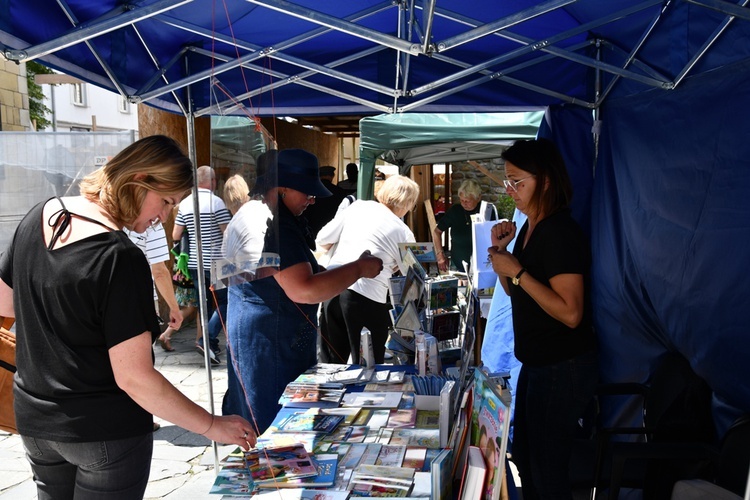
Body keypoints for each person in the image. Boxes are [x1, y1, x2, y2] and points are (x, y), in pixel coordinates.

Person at [0, 135, 256, 499]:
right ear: (137, 180)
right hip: (103, 433)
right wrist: (211, 425)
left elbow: (6, 305)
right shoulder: (120, 257)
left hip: (37, 423)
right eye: (166, 202)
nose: (163, 217)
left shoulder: (39, 216)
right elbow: (134, 377)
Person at [222, 149, 383, 434]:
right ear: (281, 188)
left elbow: (297, 272)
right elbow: (304, 289)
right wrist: (358, 269)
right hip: (271, 343)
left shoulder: (252, 212)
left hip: (259, 338)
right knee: (275, 427)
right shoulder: (273, 223)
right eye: (307, 192)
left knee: (261, 417)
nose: (312, 200)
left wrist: (342, 270)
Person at [487, 138, 598, 500]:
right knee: (526, 457)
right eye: (507, 181)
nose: (511, 190)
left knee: (548, 469)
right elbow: (514, 292)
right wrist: (501, 254)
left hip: (562, 367)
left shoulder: (560, 232)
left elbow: (570, 312)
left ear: (546, 180)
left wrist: (517, 271)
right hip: (537, 365)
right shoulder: (530, 229)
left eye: (519, 181)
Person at [317, 175, 420, 365]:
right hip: (366, 297)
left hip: (333, 285)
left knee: (331, 363)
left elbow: (322, 239)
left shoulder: (357, 207)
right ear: (408, 203)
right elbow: (412, 275)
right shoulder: (403, 231)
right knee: (368, 365)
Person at [170, 165, 231, 364]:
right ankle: (207, 340)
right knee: (224, 302)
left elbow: (175, 235)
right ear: (212, 182)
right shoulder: (217, 202)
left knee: (204, 305)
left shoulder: (186, 204)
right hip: (216, 263)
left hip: (195, 264)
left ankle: (207, 343)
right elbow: (227, 233)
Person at [125, 222, 183, 351]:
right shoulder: (152, 223)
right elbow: (159, 272)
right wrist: (174, 308)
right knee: (141, 357)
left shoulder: (103, 215)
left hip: (103, 296)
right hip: (140, 298)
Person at [433, 178, 494, 272]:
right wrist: (440, 254)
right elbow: (437, 232)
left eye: (468, 201)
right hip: (457, 264)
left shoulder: (487, 211)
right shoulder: (455, 211)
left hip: (482, 264)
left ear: (478, 198)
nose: (464, 204)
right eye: (462, 200)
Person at [304, 166, 347, 238]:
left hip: (313, 227)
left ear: (319, 176)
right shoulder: (340, 191)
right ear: (332, 176)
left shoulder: (310, 190)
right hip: (332, 230)